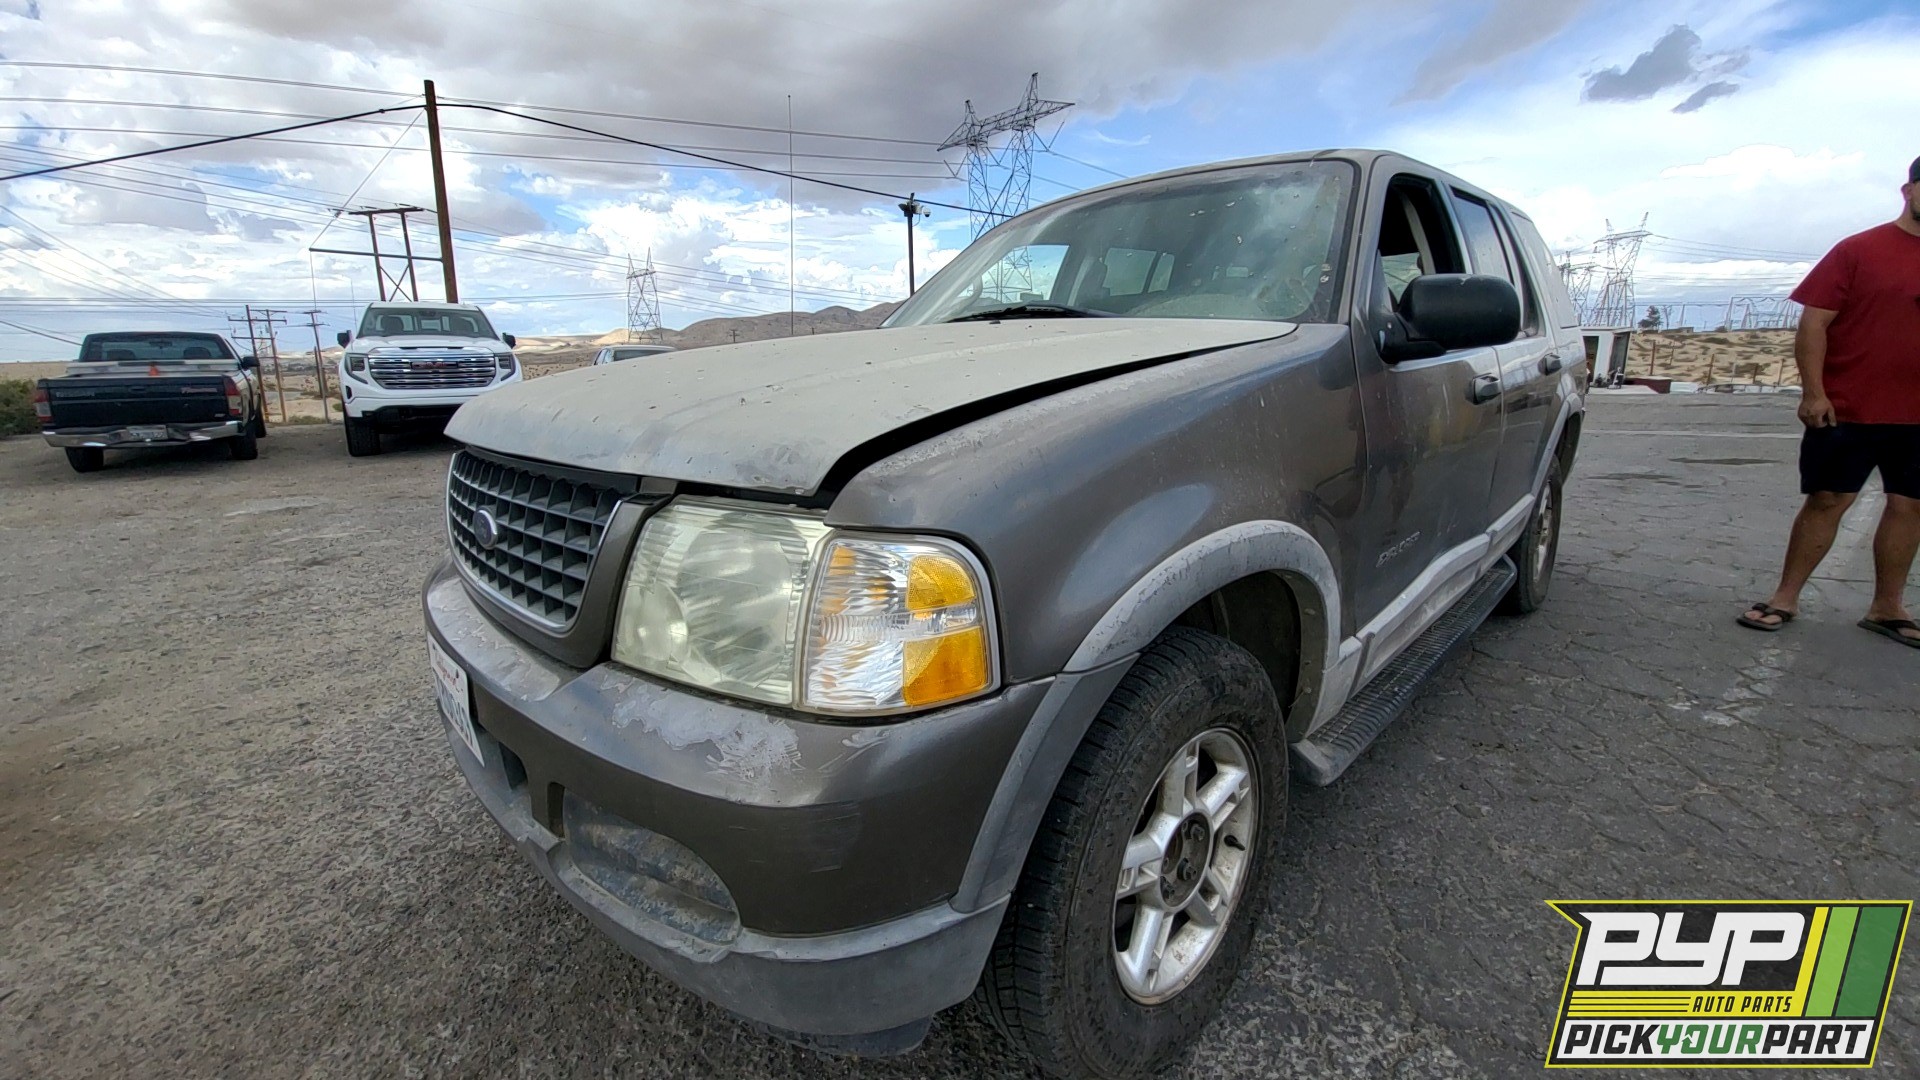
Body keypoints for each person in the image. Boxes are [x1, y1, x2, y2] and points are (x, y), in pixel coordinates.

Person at [1739, 155, 1920, 646]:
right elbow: (1813, 323)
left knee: (1910, 507)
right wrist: (1814, 391)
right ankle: (1784, 597)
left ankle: (1888, 608)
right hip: (1848, 407)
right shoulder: (1858, 250)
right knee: (1827, 500)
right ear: (1909, 191)